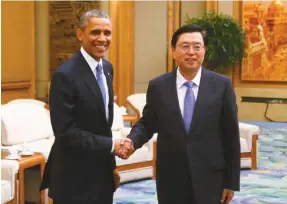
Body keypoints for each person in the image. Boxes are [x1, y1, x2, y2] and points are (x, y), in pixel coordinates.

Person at [120, 25, 241, 204]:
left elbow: (231, 136)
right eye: (185, 46)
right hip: (171, 177)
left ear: (204, 51)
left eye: (197, 46)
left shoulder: (222, 85)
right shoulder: (158, 86)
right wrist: (132, 141)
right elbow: (148, 124)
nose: (191, 52)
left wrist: (231, 182)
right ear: (173, 50)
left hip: (211, 177)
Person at [40, 10, 133, 204]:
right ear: (80, 34)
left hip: (102, 175)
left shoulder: (107, 68)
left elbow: (103, 125)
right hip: (73, 178)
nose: (102, 38)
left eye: (107, 33)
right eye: (95, 32)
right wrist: (112, 145)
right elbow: (66, 133)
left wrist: (111, 167)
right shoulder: (65, 75)